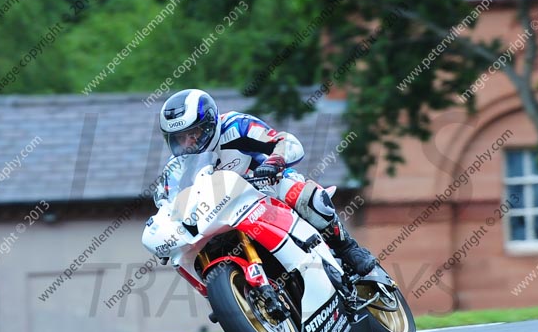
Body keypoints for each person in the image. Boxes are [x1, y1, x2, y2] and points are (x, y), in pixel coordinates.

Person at [156, 88, 377, 276]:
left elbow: (284, 141)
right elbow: (167, 204)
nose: (187, 142)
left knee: (305, 196)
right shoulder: (176, 168)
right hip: (220, 213)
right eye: (179, 138)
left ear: (209, 124)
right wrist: (167, 237)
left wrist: (274, 162)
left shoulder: (235, 125)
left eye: (192, 133)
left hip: (266, 186)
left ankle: (348, 248)